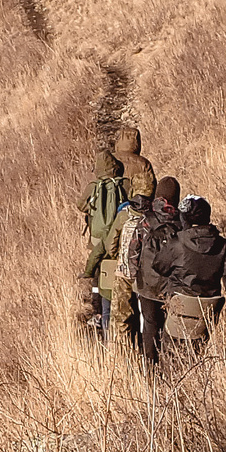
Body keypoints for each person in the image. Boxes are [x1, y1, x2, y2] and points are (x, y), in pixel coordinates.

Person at [151, 196, 226, 355]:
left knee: (170, 359)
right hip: (207, 315)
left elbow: (159, 266)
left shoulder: (177, 243)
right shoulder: (222, 245)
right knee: (197, 358)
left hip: (179, 311)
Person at [108, 151, 160, 352]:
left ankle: (124, 355)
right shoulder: (156, 217)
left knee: (121, 318)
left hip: (123, 274)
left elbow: (111, 244)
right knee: (147, 320)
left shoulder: (124, 214)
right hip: (147, 277)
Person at [128, 176, 182, 364]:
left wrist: (135, 275)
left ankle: (150, 368)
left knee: (150, 325)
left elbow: (134, 249)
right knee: (170, 326)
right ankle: (170, 366)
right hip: (171, 286)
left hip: (147, 284)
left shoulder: (146, 220)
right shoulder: (181, 221)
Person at [79, 146, 127, 340]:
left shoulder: (94, 186)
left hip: (97, 239)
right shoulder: (124, 184)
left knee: (98, 277)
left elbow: (80, 204)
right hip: (118, 236)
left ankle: (98, 310)